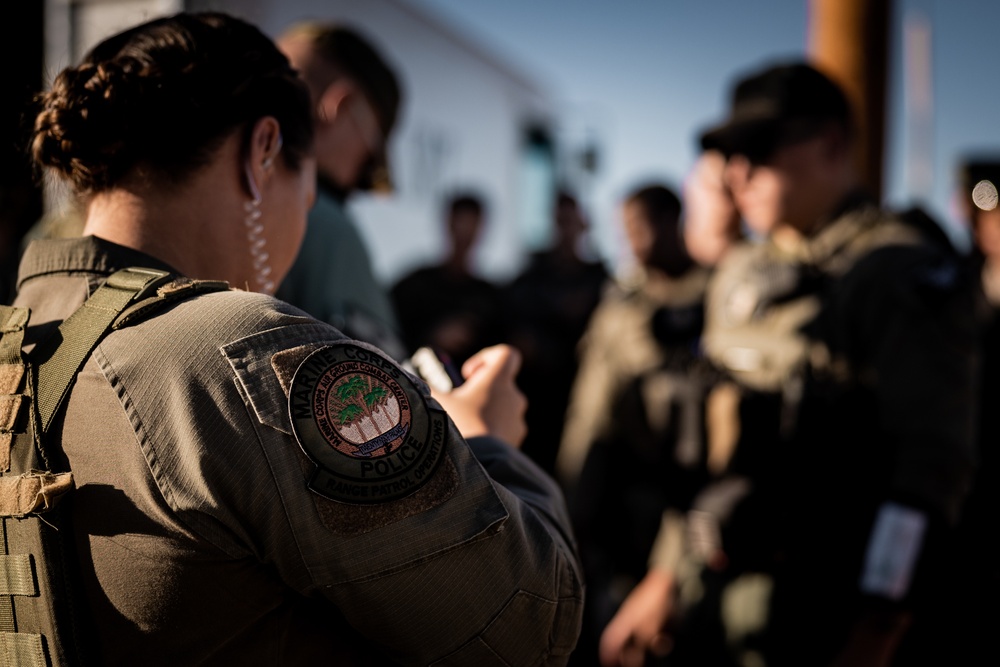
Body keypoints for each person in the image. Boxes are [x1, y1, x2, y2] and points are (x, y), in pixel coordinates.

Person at [13, 12, 583, 664]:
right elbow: (531, 621)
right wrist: (489, 443)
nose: (302, 226)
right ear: (262, 152)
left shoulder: (23, 322)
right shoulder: (252, 354)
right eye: (307, 198)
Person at [599, 61, 978, 667]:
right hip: (723, 592)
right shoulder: (744, 273)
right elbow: (712, 451)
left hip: (829, 609)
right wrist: (665, 577)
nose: (739, 175)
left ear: (830, 143)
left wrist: (876, 628)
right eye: (730, 158)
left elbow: (930, 471)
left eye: (760, 150)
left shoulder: (897, 273)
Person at [556, 183, 713, 667]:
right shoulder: (623, 303)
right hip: (622, 498)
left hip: (688, 498)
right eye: (625, 231)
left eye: (641, 227)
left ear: (673, 221)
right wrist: (569, 508)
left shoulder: (715, 295)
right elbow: (588, 416)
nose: (633, 243)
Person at [275, 21, 407, 360]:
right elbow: (382, 393)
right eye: (370, 160)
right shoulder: (325, 225)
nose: (357, 182)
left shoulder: (214, 194)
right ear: (343, 107)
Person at [505, 190, 610, 476]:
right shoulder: (530, 278)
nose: (566, 228)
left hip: (582, 395)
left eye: (571, 220)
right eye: (561, 220)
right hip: (537, 401)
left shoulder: (599, 280)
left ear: (583, 224)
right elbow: (513, 329)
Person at [390, 190, 507, 367]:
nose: (465, 233)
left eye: (472, 225)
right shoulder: (414, 286)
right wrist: (431, 337)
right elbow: (388, 333)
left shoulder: (491, 297)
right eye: (461, 223)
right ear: (448, 224)